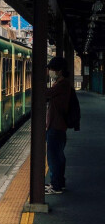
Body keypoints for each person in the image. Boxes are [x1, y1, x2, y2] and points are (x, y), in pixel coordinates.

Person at [45, 56, 72, 195]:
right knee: (58, 156)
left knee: (53, 156)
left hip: (55, 126)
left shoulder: (62, 84)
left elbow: (44, 94)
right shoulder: (63, 83)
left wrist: (42, 78)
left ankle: (56, 185)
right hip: (58, 125)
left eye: (51, 69)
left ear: (59, 71)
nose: (50, 72)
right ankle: (59, 183)